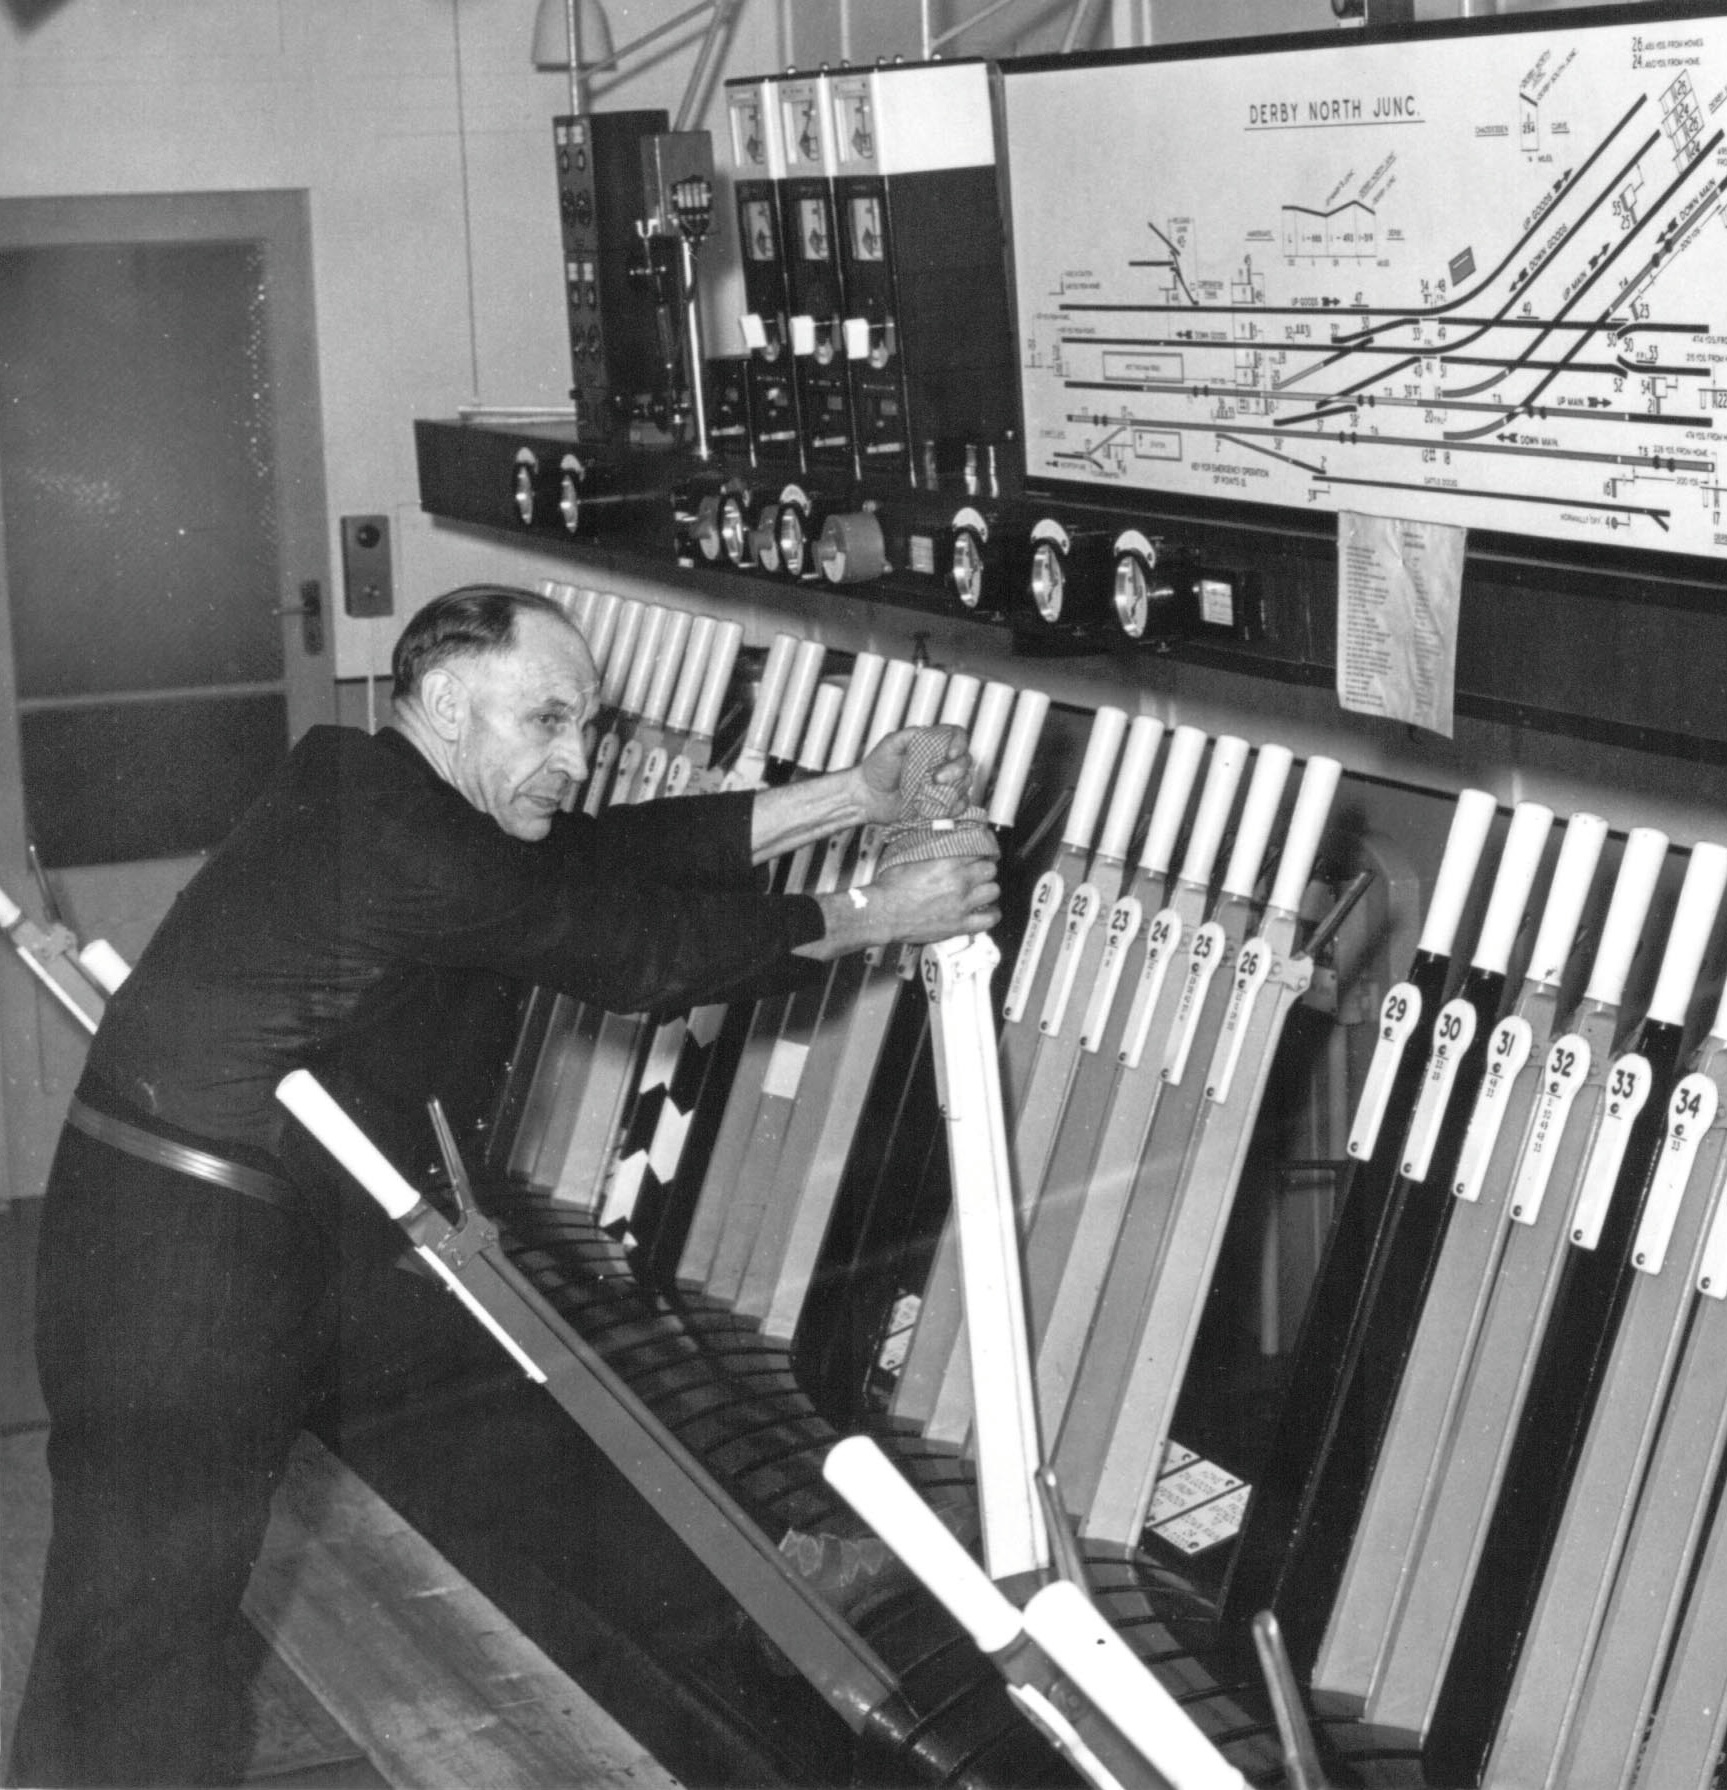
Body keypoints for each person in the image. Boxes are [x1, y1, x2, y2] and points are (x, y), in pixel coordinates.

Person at [7, 585, 1000, 1787]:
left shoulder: (369, 782)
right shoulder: (398, 837)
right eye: (548, 721)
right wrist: (871, 912)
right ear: (443, 699)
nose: (575, 760)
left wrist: (855, 796)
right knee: (146, 1622)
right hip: (187, 1263)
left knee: (484, 1396)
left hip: (237, 1222)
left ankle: (760, 1582)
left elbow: (604, 858)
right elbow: (628, 952)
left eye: (585, 726)